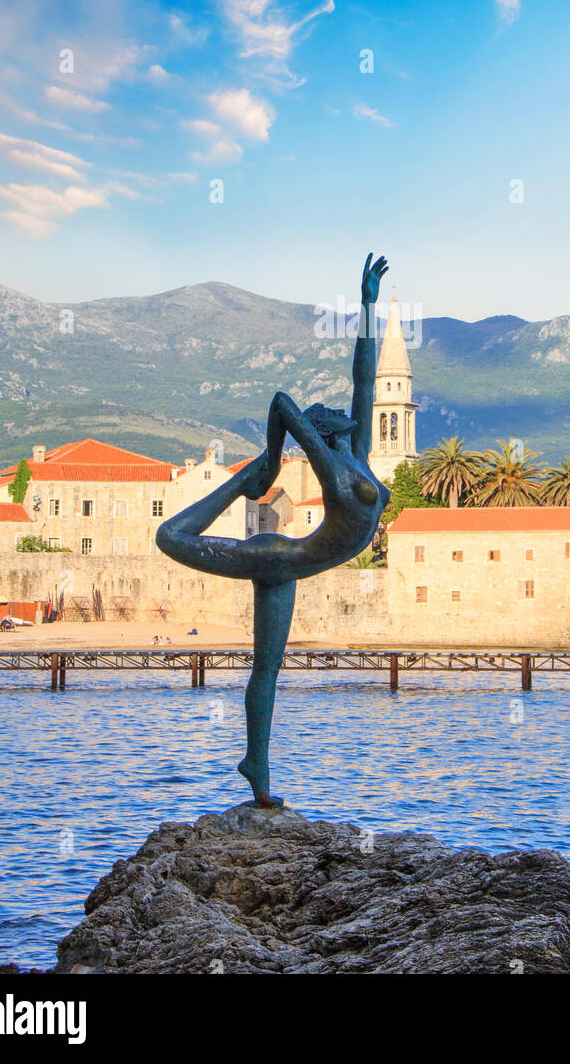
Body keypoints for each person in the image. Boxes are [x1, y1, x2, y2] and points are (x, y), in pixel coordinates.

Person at [156, 253, 392, 807]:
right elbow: (283, 403)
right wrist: (269, 458)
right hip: (273, 557)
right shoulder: (333, 470)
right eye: (328, 410)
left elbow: (365, 375)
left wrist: (366, 304)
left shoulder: (356, 453)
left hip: (287, 566)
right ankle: (242, 483)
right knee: (170, 538)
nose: (342, 406)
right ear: (322, 429)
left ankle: (256, 769)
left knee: (268, 671)